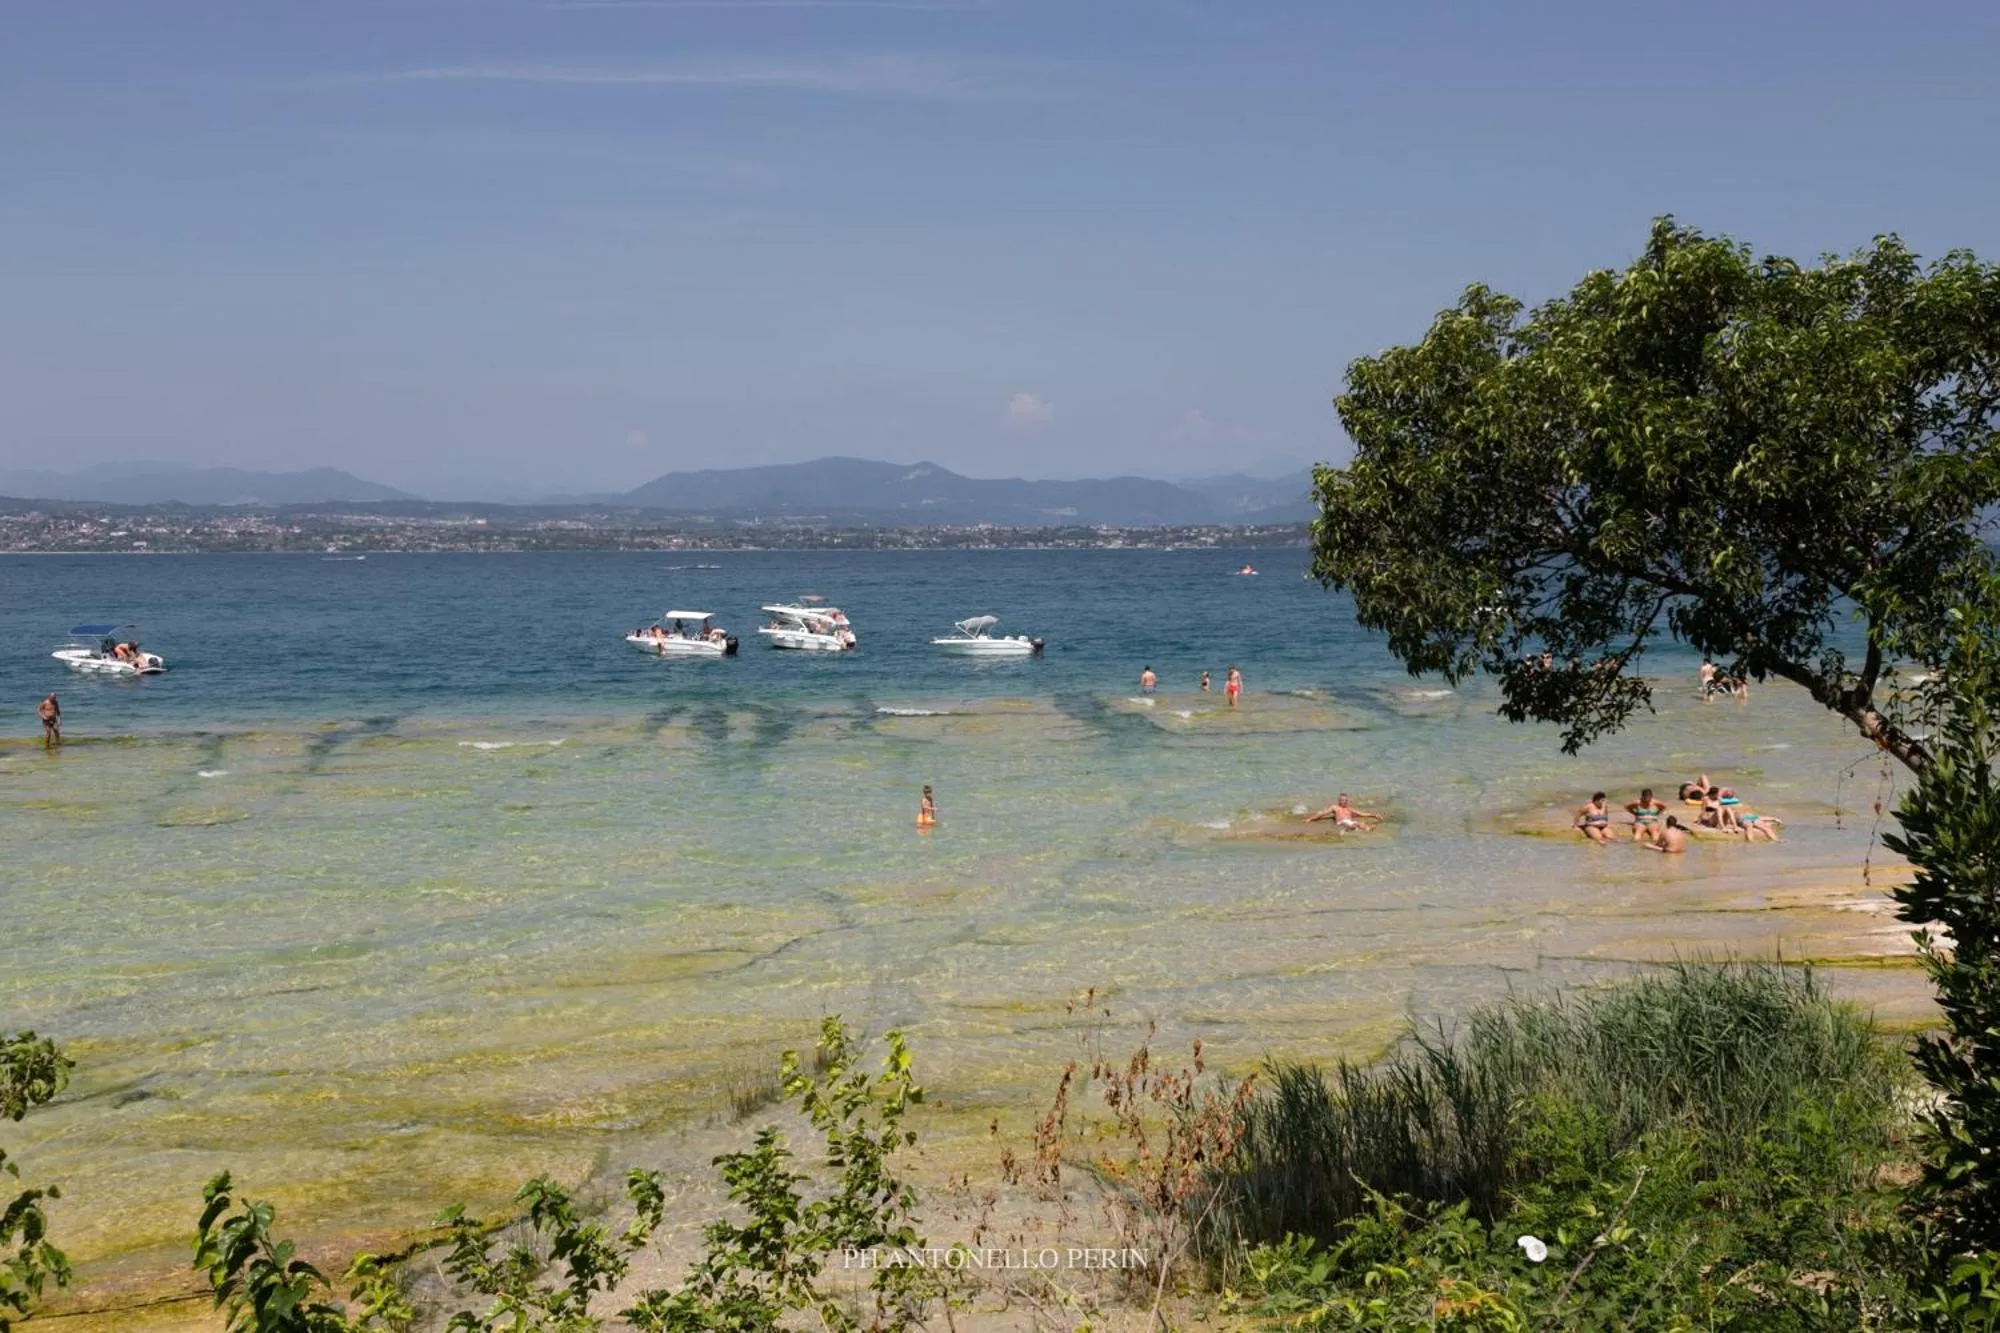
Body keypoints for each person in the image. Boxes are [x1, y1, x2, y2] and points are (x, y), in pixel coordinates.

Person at [1306, 794, 1381, 830]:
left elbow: (1361, 814)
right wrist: (1310, 819)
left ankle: (1367, 828)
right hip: (1341, 823)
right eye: (1343, 800)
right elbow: (1323, 813)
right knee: (1350, 824)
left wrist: (1374, 815)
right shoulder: (1335, 807)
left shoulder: (1349, 809)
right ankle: (1363, 828)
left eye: (1346, 800)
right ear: (1339, 801)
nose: (1344, 802)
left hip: (1350, 822)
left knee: (1358, 823)